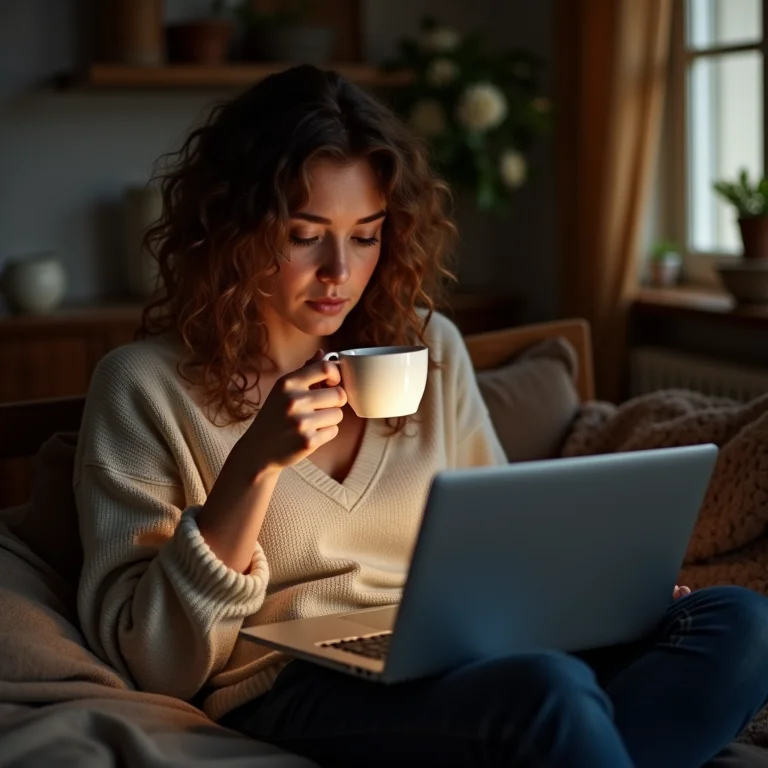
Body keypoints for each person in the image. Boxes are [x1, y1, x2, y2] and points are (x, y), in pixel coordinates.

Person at [75, 64, 768, 768]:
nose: (339, 270)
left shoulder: (429, 349)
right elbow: (156, 660)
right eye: (304, 233)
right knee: (543, 692)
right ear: (231, 227)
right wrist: (252, 466)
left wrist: (602, 599)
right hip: (292, 684)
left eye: (366, 234)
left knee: (737, 622)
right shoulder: (143, 387)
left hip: (464, 650)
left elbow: (502, 541)